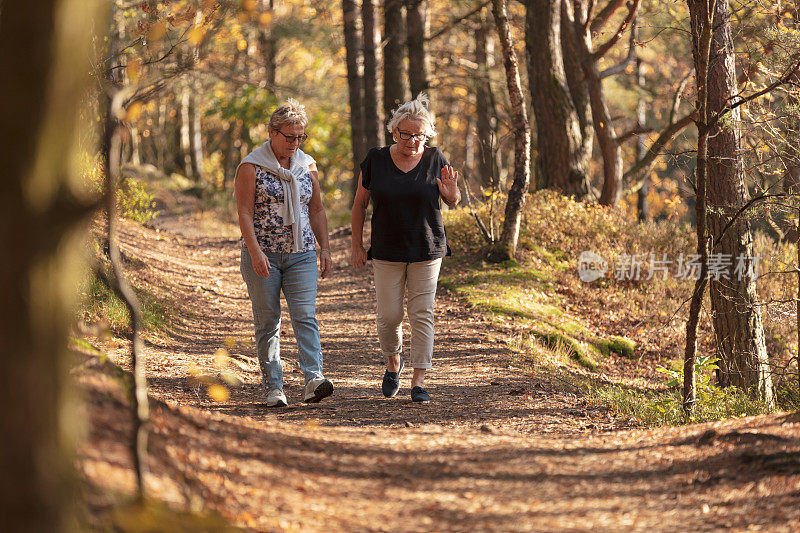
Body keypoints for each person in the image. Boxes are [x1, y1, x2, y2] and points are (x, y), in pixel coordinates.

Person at [350, 93, 460, 403]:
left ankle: (419, 380)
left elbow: (452, 198)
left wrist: (452, 196)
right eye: (406, 134)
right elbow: (360, 204)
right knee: (390, 315)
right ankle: (393, 360)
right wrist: (357, 245)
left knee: (422, 312)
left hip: (427, 247)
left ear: (428, 135)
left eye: (420, 135)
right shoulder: (376, 159)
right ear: (394, 131)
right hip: (386, 249)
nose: (413, 141)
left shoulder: (436, 158)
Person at [235, 99, 333, 408]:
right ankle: (273, 386)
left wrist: (325, 247)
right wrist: (254, 251)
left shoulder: (308, 165)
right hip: (263, 255)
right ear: (272, 132)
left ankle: (313, 379)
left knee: (305, 315)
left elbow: (316, 210)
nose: (294, 143)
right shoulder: (252, 166)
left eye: (300, 137)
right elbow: (244, 213)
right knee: (268, 321)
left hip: (302, 253)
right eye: (288, 136)